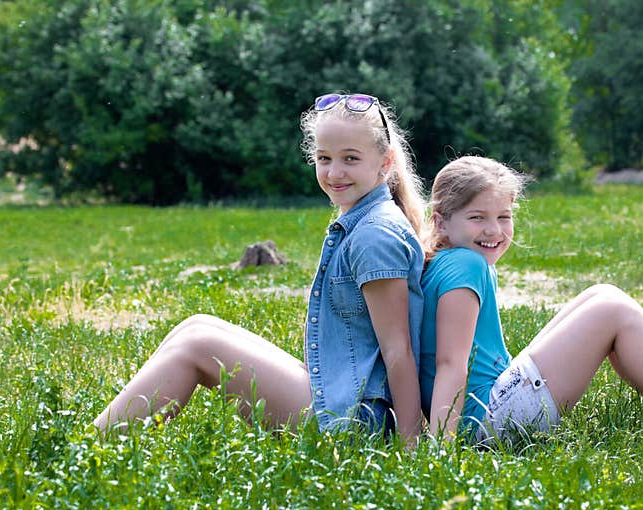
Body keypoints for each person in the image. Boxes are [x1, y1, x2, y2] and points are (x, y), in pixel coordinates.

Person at [94, 93, 425, 444]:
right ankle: (102, 439)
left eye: (351, 159)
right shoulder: (365, 219)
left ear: (385, 162)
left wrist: (409, 447)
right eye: (324, 158)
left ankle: (93, 449)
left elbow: (398, 350)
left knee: (198, 346)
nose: (334, 172)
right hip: (337, 392)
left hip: (354, 421)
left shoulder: (375, 236)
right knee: (196, 327)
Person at [419, 155, 643, 450]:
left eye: (503, 217)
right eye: (477, 217)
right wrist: (441, 450)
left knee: (601, 295)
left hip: (484, 408)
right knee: (613, 311)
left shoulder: (448, 259)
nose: (494, 230)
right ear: (441, 222)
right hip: (485, 423)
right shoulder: (466, 266)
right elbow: (451, 365)